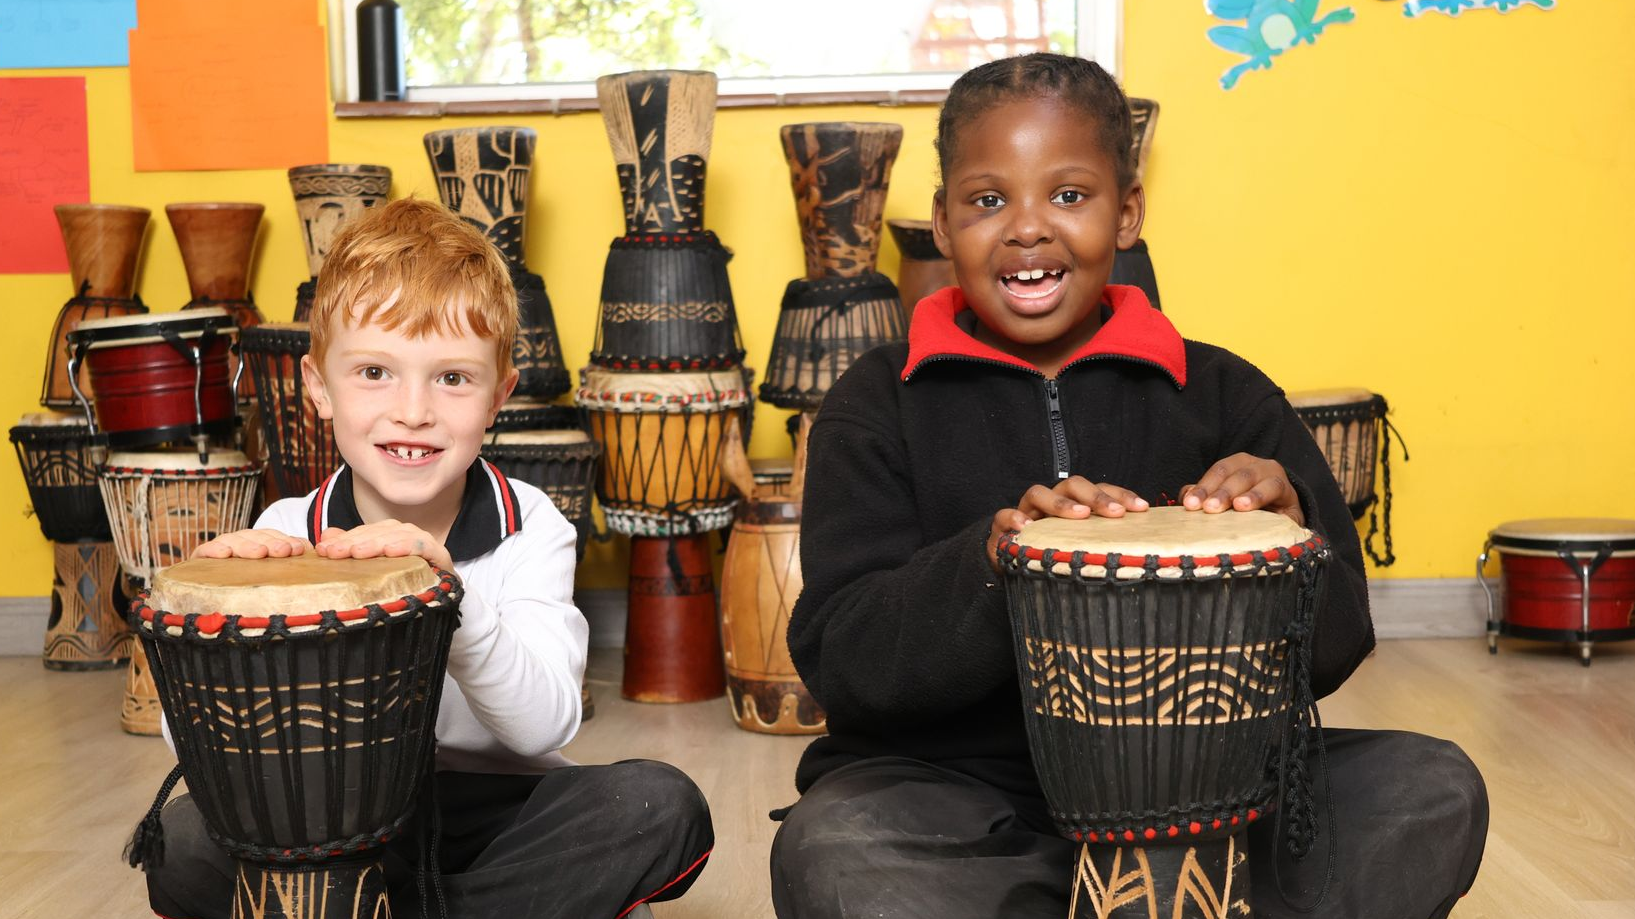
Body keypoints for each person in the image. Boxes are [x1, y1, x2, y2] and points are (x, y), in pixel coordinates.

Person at [769, 53, 1487, 919]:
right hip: (963, 796)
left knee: (1429, 786)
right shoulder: (877, 401)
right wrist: (993, 563)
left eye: (1068, 195)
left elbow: (1334, 648)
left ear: (1128, 211)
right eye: (988, 199)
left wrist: (1292, 537)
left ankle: (1153, 895)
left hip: (1211, 794)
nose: (1026, 229)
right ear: (942, 219)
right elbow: (845, 662)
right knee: (839, 853)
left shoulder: (1221, 391)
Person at [143, 197, 712, 919]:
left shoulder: (530, 523)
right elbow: (191, 748)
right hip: (338, 819)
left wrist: (450, 595)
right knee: (182, 838)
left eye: (451, 378)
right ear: (318, 387)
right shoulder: (287, 528)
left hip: (498, 810)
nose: (413, 409)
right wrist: (215, 621)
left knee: (657, 804)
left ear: (497, 396)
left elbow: (543, 728)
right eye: (375, 372)